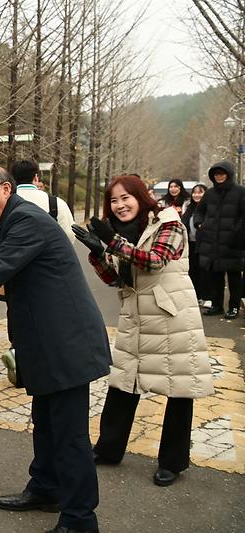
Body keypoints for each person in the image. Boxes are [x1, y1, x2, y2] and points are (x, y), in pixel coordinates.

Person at [0, 165, 110, 533]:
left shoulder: (26, 219)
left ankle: (80, 519)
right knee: (45, 423)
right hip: (46, 343)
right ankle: (46, 489)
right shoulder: (13, 222)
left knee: (70, 436)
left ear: (6, 188)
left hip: (66, 344)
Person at [73, 174, 214, 487]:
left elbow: (154, 261)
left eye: (126, 197)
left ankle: (172, 463)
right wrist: (98, 253)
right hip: (136, 314)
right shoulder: (123, 233)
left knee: (178, 388)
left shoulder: (169, 222)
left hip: (171, 316)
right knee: (124, 382)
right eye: (113, 200)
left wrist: (112, 243)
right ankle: (109, 449)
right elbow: (118, 280)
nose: (120, 205)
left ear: (141, 196)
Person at [194, 161, 245, 319]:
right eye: (216, 174)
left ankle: (234, 307)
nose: (219, 176)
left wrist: (237, 231)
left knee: (234, 278)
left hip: (233, 243)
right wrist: (199, 223)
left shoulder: (240, 192)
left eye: (222, 173)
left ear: (229, 174)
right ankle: (217, 305)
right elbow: (199, 211)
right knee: (215, 276)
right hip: (212, 242)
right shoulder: (209, 193)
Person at [0, 160, 74, 245]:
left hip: (8, 260)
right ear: (36, 178)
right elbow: (69, 234)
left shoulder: (0, 202)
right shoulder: (56, 203)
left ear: (11, 179)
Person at [181, 183, 208, 303]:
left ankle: (205, 295)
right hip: (191, 244)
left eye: (200, 192)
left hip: (205, 244)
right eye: (194, 192)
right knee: (192, 270)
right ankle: (195, 296)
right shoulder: (189, 208)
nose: (196, 195)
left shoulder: (209, 208)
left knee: (204, 271)